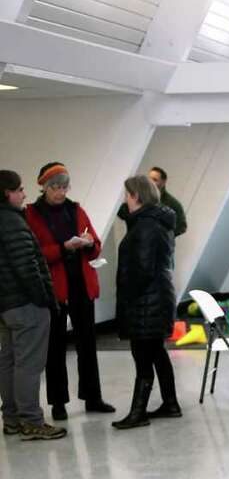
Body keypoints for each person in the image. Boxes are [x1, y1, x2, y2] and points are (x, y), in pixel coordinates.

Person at [25, 163, 114, 420]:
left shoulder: (76, 210)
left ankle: (93, 397)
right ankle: (58, 402)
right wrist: (63, 248)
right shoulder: (32, 214)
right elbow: (35, 253)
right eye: (56, 188)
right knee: (55, 346)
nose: (61, 193)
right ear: (44, 187)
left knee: (88, 343)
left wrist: (87, 244)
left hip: (81, 285)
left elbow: (95, 245)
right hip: (54, 288)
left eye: (65, 188)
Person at [0, 170, 64, 441]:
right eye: (20, 189)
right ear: (7, 193)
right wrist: (44, 299)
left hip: (5, 306)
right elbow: (27, 265)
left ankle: (12, 419)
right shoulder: (12, 221)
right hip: (26, 305)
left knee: (9, 361)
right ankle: (31, 421)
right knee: (28, 364)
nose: (24, 194)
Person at [112, 175, 179, 430]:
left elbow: (142, 270)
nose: (125, 199)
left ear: (137, 197)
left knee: (142, 357)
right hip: (157, 297)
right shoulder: (153, 221)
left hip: (146, 301)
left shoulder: (146, 227)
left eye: (127, 195)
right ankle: (170, 403)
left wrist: (127, 297)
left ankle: (138, 412)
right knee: (157, 353)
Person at [116, 166, 187, 248]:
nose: (150, 182)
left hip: (158, 247)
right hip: (136, 242)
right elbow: (122, 211)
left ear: (163, 182)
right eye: (149, 178)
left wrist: (163, 236)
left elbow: (182, 226)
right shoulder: (141, 196)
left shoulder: (172, 203)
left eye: (155, 179)